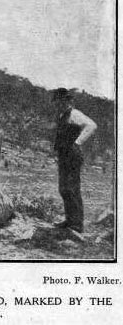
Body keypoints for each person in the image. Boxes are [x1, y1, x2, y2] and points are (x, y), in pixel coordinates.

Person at [52, 88, 97, 234]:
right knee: (63, 188)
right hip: (64, 155)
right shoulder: (62, 115)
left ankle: (77, 225)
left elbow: (91, 125)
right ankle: (69, 220)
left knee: (72, 188)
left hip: (72, 155)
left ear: (67, 100)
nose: (58, 103)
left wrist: (78, 142)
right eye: (57, 101)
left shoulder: (74, 114)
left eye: (60, 101)